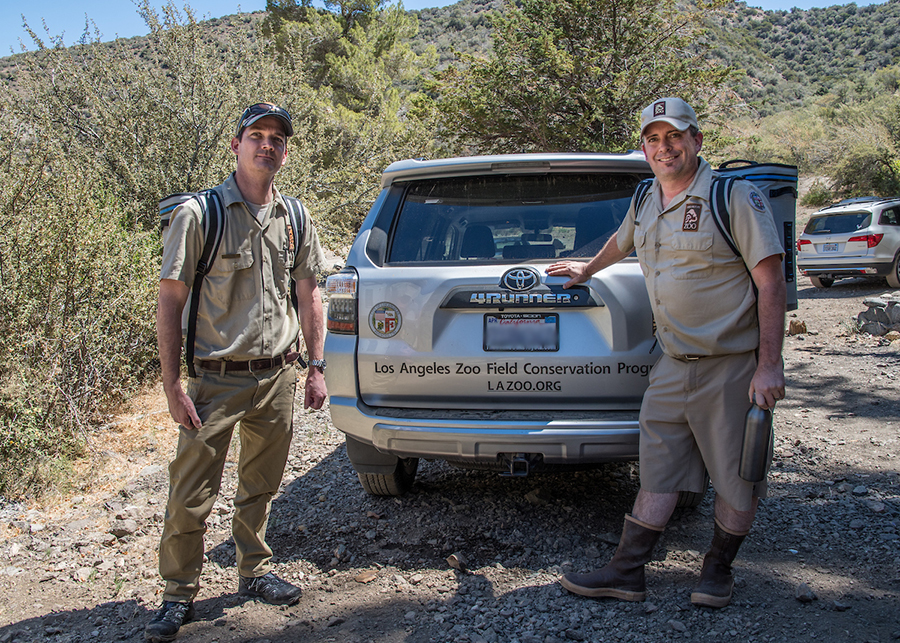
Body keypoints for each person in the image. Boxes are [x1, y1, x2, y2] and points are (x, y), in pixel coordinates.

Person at [547, 97, 786, 608]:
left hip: (732, 367)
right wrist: (587, 269)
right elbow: (623, 240)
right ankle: (627, 571)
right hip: (673, 365)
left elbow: (771, 283)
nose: (665, 147)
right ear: (644, 147)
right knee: (658, 469)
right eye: (653, 139)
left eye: (675, 136)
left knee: (736, 478)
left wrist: (769, 365)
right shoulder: (645, 197)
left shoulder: (734, 197)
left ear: (696, 140)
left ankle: (718, 570)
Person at [146, 102, 328, 642]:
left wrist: (316, 367)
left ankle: (254, 571)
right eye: (256, 135)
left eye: (277, 138)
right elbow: (171, 300)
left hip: (278, 377)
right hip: (213, 381)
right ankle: (178, 594)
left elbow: (310, 294)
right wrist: (172, 384)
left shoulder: (296, 217)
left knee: (261, 487)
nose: (266, 145)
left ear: (286, 151)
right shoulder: (199, 215)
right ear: (236, 144)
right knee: (190, 495)